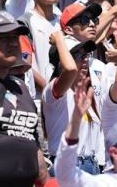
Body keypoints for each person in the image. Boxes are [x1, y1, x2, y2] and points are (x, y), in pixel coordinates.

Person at [0, 11, 47, 186]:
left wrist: (45, 181)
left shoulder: (20, 86)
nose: (13, 44)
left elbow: (32, 141)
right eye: (4, 38)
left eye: (15, 38)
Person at [43, 33, 103, 174]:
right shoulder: (54, 90)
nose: (84, 60)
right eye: (77, 56)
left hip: (90, 165)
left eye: (85, 55)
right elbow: (70, 70)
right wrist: (59, 38)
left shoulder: (85, 92)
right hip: (68, 165)